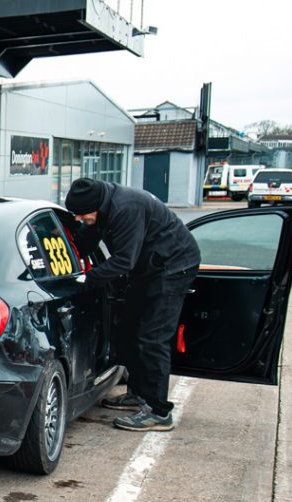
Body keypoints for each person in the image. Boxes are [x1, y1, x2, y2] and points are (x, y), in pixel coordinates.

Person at [65, 177, 201, 432]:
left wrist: (87, 279)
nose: (79, 219)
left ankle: (158, 412)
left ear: (96, 206)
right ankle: (138, 395)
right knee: (132, 330)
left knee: (152, 338)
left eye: (82, 214)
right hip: (148, 267)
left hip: (173, 266)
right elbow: (87, 239)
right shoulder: (101, 206)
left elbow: (123, 261)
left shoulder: (126, 208)